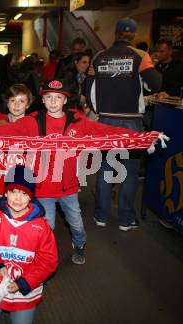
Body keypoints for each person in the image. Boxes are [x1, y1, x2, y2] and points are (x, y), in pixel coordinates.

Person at [0, 79, 156, 263]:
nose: (53, 101)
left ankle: (80, 245)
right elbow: (3, 132)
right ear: (43, 100)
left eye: (58, 97)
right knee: (47, 228)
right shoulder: (33, 121)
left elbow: (103, 131)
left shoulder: (77, 120)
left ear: (65, 100)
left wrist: (139, 138)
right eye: (49, 97)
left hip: (69, 189)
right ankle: (44, 259)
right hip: (43, 189)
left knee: (77, 226)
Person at [86, 17, 162, 231]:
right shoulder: (140, 56)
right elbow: (155, 84)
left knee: (105, 169)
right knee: (129, 172)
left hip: (106, 121)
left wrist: (99, 112)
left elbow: (89, 91)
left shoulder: (99, 57)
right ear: (133, 35)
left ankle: (100, 215)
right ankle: (125, 220)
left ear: (116, 34)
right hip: (131, 124)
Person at [0, 165, 58, 324]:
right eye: (13, 192)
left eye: (24, 193)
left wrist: (23, 283)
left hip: (26, 287)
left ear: (31, 197)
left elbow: (49, 261)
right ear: (6, 192)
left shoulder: (41, 227)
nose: (18, 198)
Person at [0, 84, 34, 207]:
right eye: (12, 100)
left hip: (21, 189)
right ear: (7, 103)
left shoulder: (33, 128)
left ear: (27, 105)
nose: (16, 105)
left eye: (21, 101)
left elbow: (36, 159)